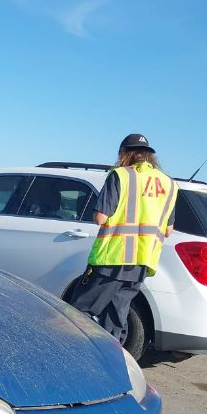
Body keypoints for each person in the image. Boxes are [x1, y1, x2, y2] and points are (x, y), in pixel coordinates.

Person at [70, 134, 178, 344]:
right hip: (141, 261)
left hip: (113, 257)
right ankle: (111, 360)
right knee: (117, 316)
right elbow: (168, 230)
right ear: (149, 156)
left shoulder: (121, 176)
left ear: (124, 153)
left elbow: (101, 217)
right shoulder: (169, 184)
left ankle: (72, 356)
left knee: (80, 311)